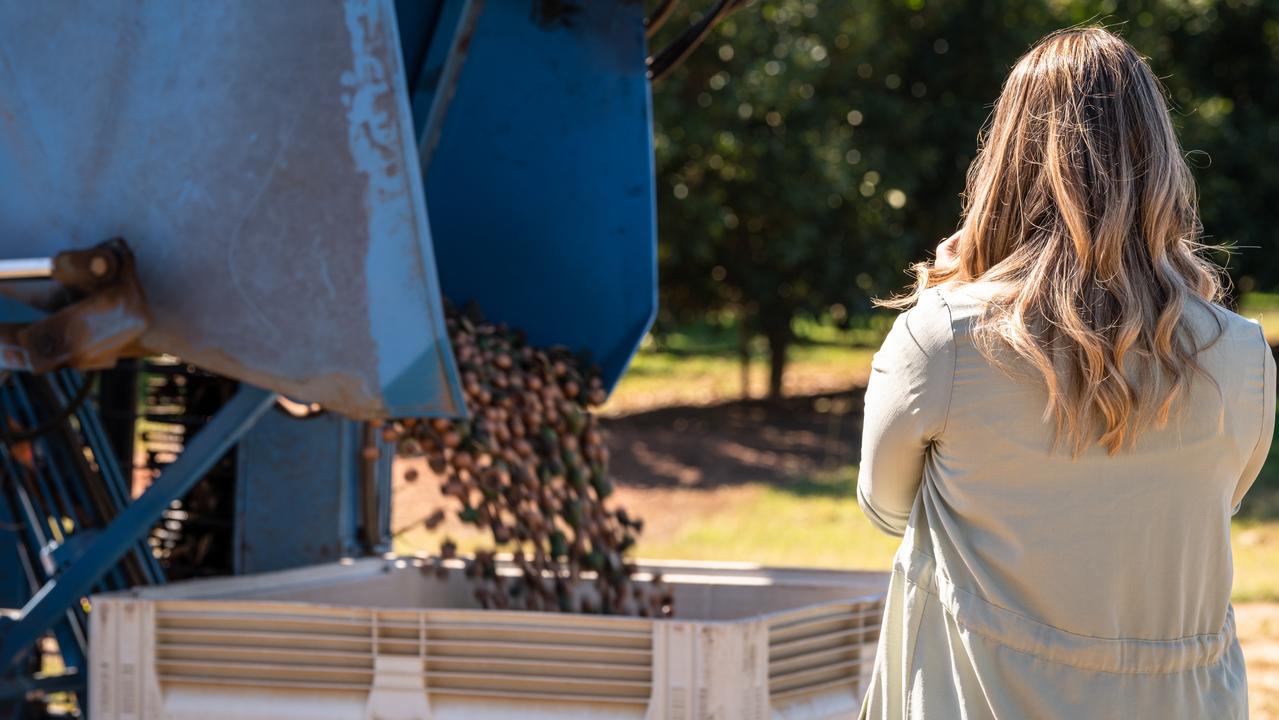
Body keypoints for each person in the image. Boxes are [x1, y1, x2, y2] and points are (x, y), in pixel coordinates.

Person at [856, 27, 1274, 719]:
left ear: (1006, 160)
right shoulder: (1240, 353)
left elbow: (885, 508)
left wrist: (947, 294)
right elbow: (1206, 507)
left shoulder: (943, 340)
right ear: (1160, 160)